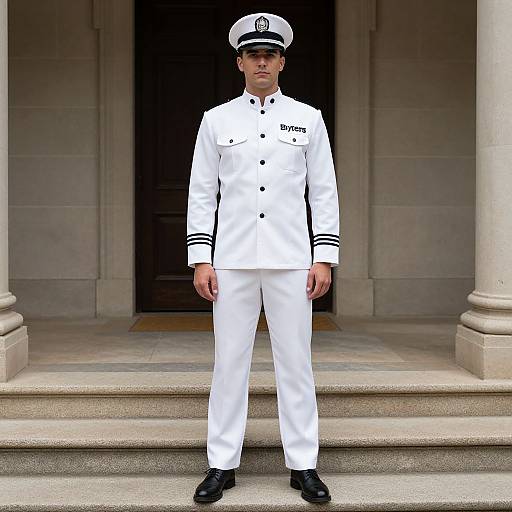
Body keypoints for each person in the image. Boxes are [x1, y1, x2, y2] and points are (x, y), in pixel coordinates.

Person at [187, 12, 339, 504]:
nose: (261, 62)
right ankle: (221, 464)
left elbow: (324, 191)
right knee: (229, 363)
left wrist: (324, 257)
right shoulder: (216, 119)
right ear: (240, 62)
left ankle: (303, 464)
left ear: (281, 62)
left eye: (269, 54)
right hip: (230, 259)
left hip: (292, 258)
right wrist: (201, 257)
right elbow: (202, 192)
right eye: (253, 54)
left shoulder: (308, 118)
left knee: (295, 363)